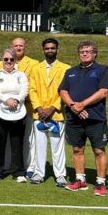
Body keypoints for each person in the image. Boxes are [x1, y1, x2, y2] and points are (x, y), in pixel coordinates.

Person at [59, 40, 108, 197]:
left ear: (94, 53)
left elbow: (103, 91)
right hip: (74, 118)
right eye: (82, 51)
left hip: (95, 119)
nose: (84, 54)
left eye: (88, 51)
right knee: (77, 149)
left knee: (99, 150)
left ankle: (101, 182)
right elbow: (63, 91)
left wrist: (82, 105)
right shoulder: (70, 71)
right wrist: (73, 106)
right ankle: (79, 180)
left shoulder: (103, 70)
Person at [28, 38, 69, 186]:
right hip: (39, 115)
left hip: (56, 114)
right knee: (39, 146)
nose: (50, 50)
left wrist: (52, 108)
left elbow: (65, 91)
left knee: (58, 146)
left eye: (52, 48)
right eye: (47, 48)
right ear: (43, 50)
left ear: (57, 49)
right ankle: (39, 173)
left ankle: (60, 175)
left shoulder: (65, 68)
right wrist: (39, 108)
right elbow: (32, 90)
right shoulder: (36, 68)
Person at [0, 49, 29, 183]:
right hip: (0, 110)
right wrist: (6, 100)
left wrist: (16, 100)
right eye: (6, 59)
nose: (8, 62)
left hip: (18, 111)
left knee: (17, 142)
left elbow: (24, 90)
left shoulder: (21, 75)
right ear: (2, 60)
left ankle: (18, 172)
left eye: (11, 59)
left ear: (15, 61)